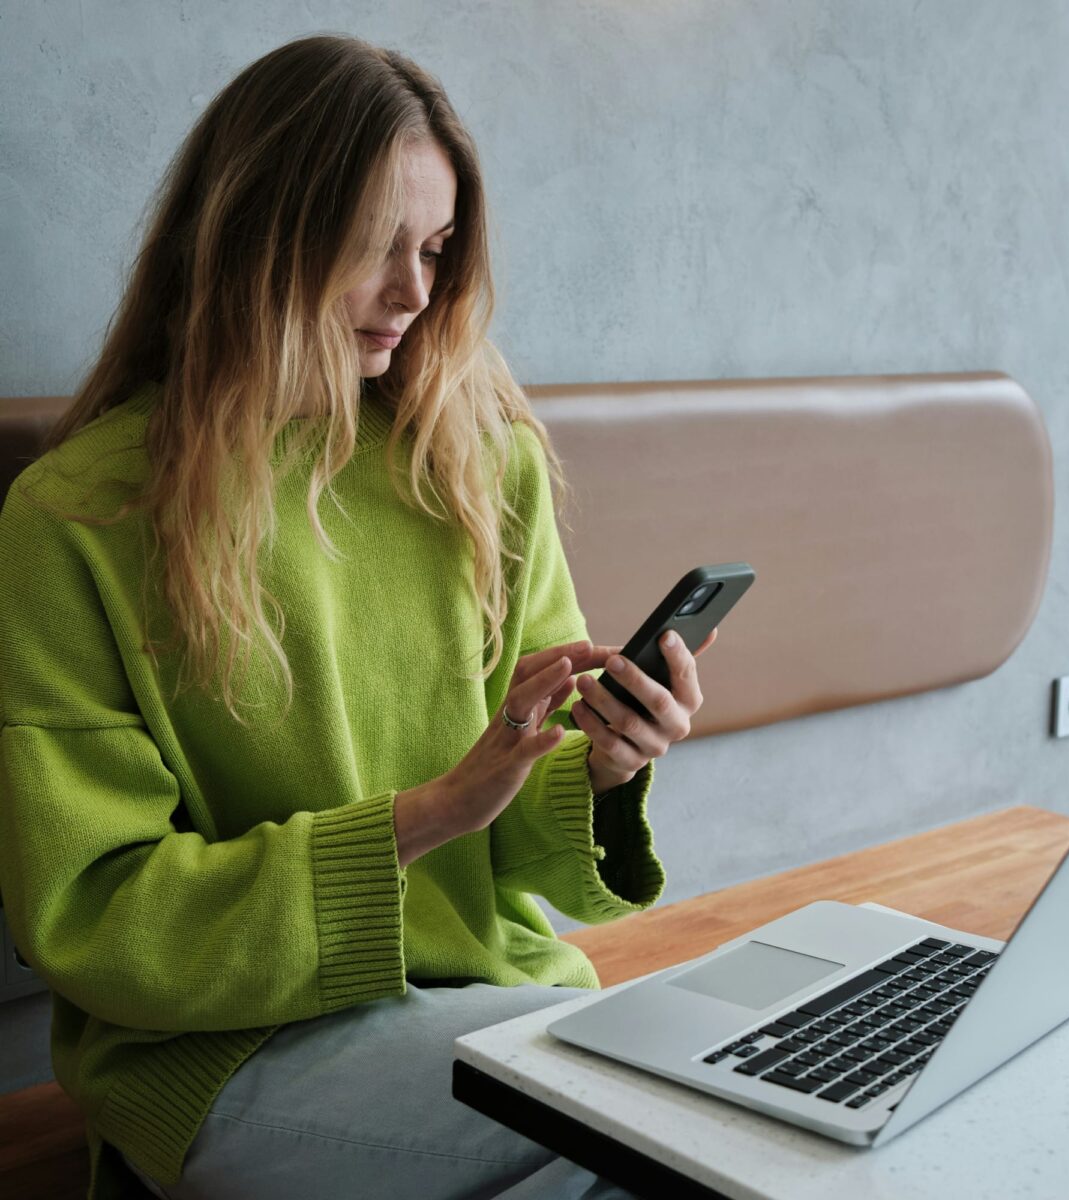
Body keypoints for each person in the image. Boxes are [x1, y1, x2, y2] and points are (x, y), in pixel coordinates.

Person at [0, 34, 717, 1200]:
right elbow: (93, 919)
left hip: (487, 995)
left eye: (435, 250)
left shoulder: (477, 468)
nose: (416, 293)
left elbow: (530, 867)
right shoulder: (78, 518)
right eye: (372, 247)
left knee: (739, 1120)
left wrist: (598, 773)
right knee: (673, 1151)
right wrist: (422, 817)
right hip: (228, 1053)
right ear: (253, 239)